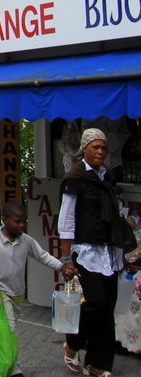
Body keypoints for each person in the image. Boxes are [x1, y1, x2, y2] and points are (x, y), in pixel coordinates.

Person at [59, 128, 130, 377]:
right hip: (86, 252)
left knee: (107, 307)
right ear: (85, 149)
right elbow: (66, 220)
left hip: (108, 252)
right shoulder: (75, 178)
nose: (100, 151)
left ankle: (98, 363)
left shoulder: (106, 177)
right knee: (93, 304)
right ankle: (73, 343)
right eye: (95, 147)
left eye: (103, 148)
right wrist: (66, 259)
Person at [0, 201, 75, 377]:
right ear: (4, 220)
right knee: (9, 330)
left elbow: (42, 256)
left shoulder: (26, 241)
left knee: (3, 332)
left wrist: (61, 267)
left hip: (17, 294)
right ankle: (14, 369)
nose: (22, 225)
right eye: (17, 221)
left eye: (24, 221)